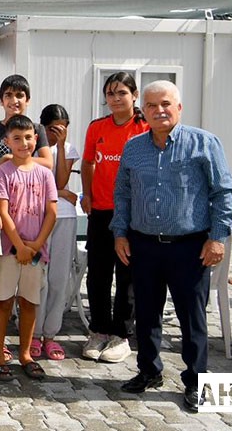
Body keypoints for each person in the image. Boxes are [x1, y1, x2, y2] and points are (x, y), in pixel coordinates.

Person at [111, 81, 232, 412]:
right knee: (146, 313)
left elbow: (223, 192)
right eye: (151, 105)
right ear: (144, 111)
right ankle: (149, 371)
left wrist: (218, 237)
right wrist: (120, 233)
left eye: (165, 103)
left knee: (192, 317)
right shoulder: (134, 148)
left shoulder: (204, 143)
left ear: (179, 108)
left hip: (190, 247)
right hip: (143, 244)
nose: (159, 110)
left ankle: (197, 382)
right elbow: (122, 193)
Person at [80, 72, 149, 363]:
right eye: (110, 93)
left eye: (121, 92)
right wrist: (87, 195)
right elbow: (86, 163)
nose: (115, 99)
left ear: (134, 95)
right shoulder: (97, 127)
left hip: (132, 214)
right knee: (97, 273)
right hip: (101, 211)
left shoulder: (145, 127)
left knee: (127, 275)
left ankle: (121, 335)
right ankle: (99, 331)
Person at [0, 115, 57, 384]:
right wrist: (19, 246)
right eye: (16, 138)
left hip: (36, 251)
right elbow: (3, 212)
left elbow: (51, 212)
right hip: (9, 250)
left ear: (36, 139)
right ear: (7, 142)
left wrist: (36, 246)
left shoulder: (44, 173)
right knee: (3, 301)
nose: (24, 143)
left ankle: (26, 354)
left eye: (28, 137)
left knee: (29, 302)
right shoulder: (2, 173)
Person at [32, 104, 80, 361]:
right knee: (39, 277)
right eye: (52, 130)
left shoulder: (68, 149)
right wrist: (61, 193)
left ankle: (51, 334)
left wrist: (61, 147)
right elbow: (43, 185)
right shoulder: (34, 145)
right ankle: (34, 333)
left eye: (62, 129)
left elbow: (60, 180)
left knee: (59, 277)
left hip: (65, 217)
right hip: (38, 217)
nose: (56, 134)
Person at [0, 74, 53, 169]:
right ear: (1, 101)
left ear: (27, 100)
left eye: (19, 95)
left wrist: (13, 159)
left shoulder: (36, 129)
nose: (14, 100)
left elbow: (48, 163)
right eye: (8, 95)